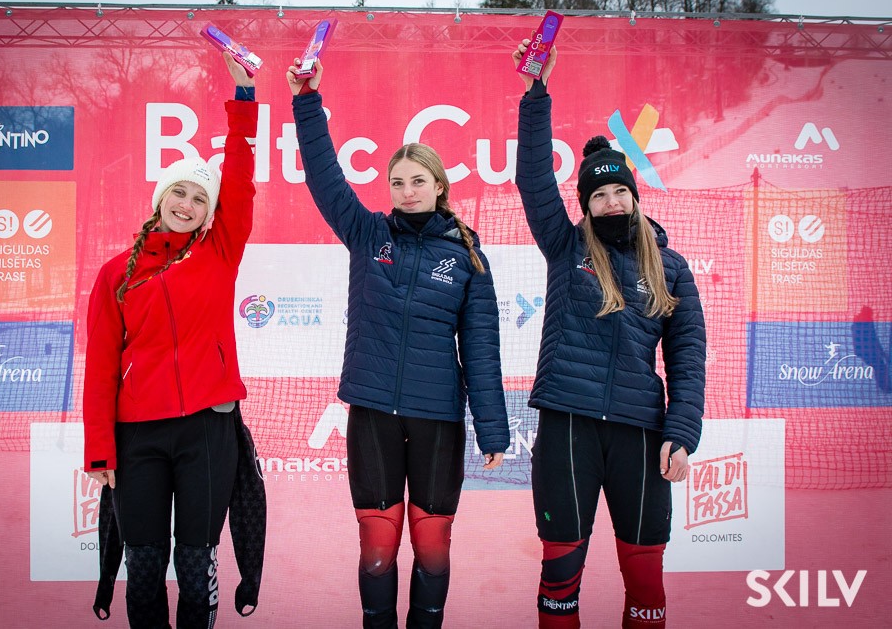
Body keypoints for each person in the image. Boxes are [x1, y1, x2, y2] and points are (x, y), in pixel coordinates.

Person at [286, 59, 510, 629]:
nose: (408, 192)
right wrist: (307, 101)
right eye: (398, 183)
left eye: (418, 182)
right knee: (378, 542)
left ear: (439, 186)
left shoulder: (468, 256)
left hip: (437, 419)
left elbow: (481, 350)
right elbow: (324, 178)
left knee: (432, 542)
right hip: (372, 414)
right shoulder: (369, 235)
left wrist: (492, 428)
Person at [511, 40, 706, 628]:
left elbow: (688, 359)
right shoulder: (566, 245)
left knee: (645, 580)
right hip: (567, 426)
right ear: (587, 205)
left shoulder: (671, 268)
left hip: (640, 435)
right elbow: (533, 180)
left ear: (636, 196)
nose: (612, 201)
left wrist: (681, 433)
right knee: (561, 576)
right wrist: (536, 93)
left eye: (620, 191)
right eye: (599, 195)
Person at [83, 52, 263, 628]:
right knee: (143, 564)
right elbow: (100, 367)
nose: (187, 205)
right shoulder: (116, 273)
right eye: (178, 193)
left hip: (208, 430)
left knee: (194, 561)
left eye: (199, 198)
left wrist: (243, 100)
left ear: (210, 211)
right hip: (137, 435)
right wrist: (99, 449)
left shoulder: (219, 252)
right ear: (160, 197)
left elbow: (239, 179)